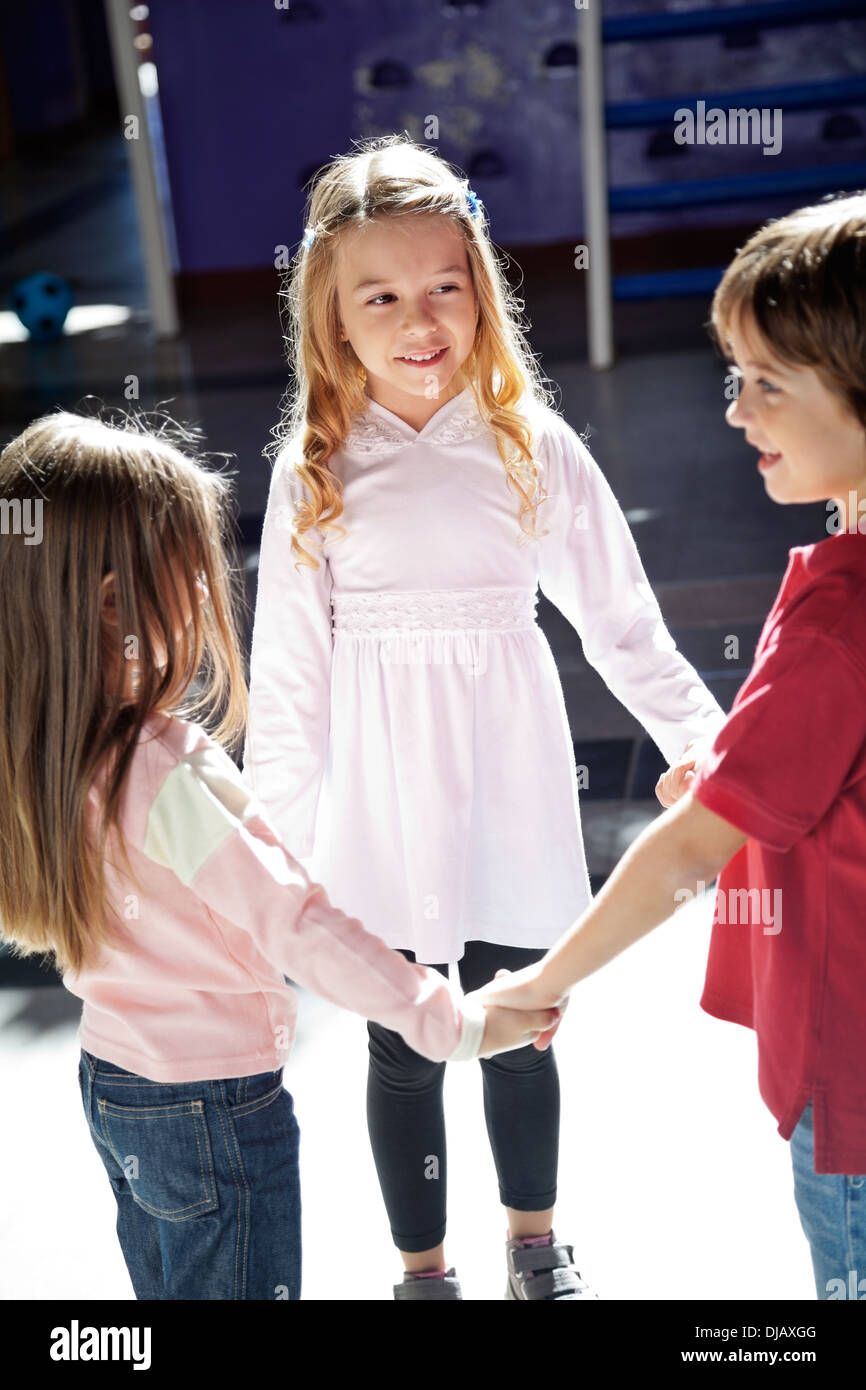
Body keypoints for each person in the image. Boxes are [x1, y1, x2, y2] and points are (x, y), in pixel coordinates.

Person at [243, 134, 727, 1300]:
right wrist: (264, 859)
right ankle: (423, 1267)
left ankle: (533, 1241)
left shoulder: (531, 446)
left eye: (443, 287)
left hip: (508, 782)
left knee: (520, 1019)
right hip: (378, 803)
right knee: (402, 1044)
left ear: (480, 291)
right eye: (383, 297)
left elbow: (621, 624)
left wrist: (710, 750)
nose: (421, 321)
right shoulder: (312, 467)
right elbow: (293, 685)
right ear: (333, 319)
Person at [0, 409, 558, 1302]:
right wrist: (452, 1022)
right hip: (213, 1109)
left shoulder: (36, 748)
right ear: (116, 604)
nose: (207, 589)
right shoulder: (165, 770)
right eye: (188, 572)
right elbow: (296, 923)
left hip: (115, 1084)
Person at [482, 192, 866, 1301]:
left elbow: (690, 846)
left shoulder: (839, 622)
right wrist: (751, 769)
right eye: (730, 377)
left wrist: (542, 982)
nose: (736, 413)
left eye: (766, 384)